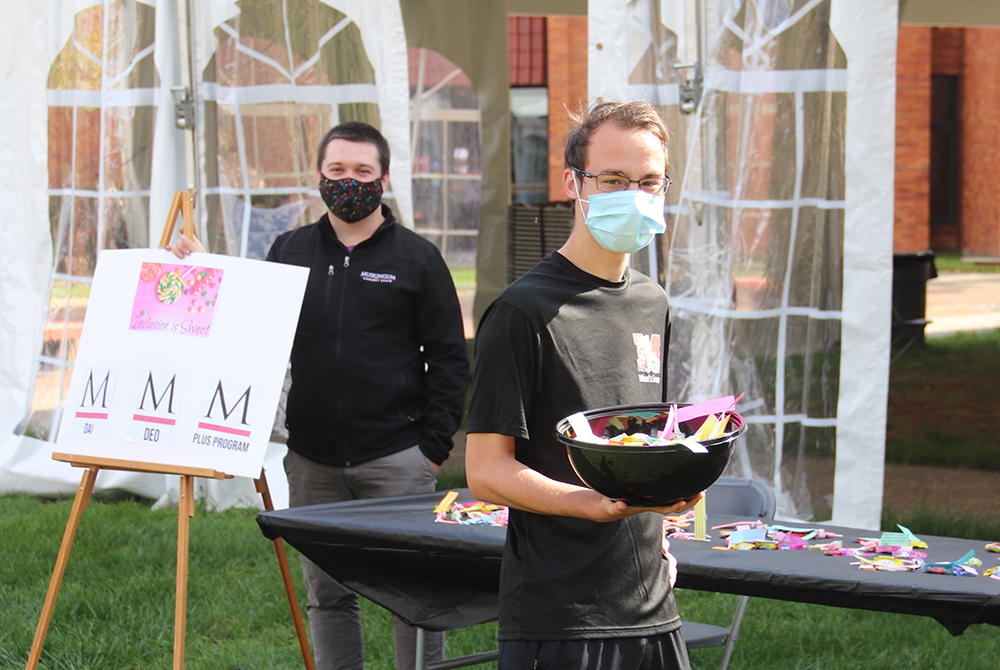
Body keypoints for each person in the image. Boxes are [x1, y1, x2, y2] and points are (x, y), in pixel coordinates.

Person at [168, 122, 469, 670]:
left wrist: (431, 449)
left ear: (382, 179)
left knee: (415, 600)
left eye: (362, 171)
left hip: (397, 457)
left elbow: (450, 360)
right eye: (337, 170)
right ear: (319, 176)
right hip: (311, 460)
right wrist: (208, 273)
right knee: (327, 595)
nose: (349, 181)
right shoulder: (289, 250)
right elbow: (253, 329)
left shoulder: (417, 259)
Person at [465, 100, 702, 670]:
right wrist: (590, 505)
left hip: (652, 608)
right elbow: (486, 471)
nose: (634, 195)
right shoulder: (522, 312)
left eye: (649, 181)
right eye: (614, 179)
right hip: (560, 617)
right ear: (573, 183)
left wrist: (670, 502)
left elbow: (642, 442)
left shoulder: (652, 301)